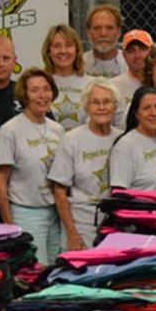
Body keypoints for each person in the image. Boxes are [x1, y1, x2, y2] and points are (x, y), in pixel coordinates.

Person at [0, 68, 65, 265]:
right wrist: (10, 226)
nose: (42, 96)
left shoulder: (58, 130)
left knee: (55, 271)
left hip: (55, 212)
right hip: (26, 213)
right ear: (24, 95)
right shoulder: (9, 131)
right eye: (35, 90)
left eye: (46, 89)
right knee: (34, 273)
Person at [49, 79, 122, 251]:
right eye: (95, 103)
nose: (101, 107)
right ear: (86, 107)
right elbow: (59, 190)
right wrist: (72, 234)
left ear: (115, 106)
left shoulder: (123, 139)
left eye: (107, 102)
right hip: (82, 226)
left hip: (116, 225)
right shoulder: (71, 139)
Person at [109, 86, 156, 191]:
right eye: (146, 108)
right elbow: (119, 193)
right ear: (136, 114)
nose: (154, 113)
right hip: (141, 207)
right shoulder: (125, 145)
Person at [42, 25, 90, 131]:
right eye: (57, 46)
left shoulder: (91, 84)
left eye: (69, 45)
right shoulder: (39, 83)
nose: (63, 51)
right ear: (48, 51)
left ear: (77, 50)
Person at [110, 29, 154, 123]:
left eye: (142, 49)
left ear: (152, 51)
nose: (137, 55)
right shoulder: (112, 86)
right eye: (131, 51)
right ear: (124, 55)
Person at [82, 4, 127, 78]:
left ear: (119, 31)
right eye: (97, 28)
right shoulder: (78, 64)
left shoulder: (130, 63)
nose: (103, 33)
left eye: (109, 28)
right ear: (88, 32)